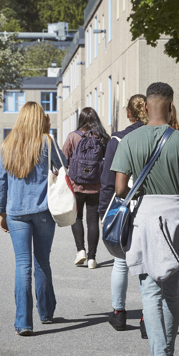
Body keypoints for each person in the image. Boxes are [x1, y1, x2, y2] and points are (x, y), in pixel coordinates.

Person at [111, 82, 179, 356]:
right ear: (170, 105)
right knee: (172, 290)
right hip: (176, 215)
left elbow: (120, 188)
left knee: (149, 291)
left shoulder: (130, 141)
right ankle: (168, 355)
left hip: (145, 216)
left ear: (145, 106)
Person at [0, 102, 65, 336]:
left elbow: (0, 184)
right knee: (42, 262)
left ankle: (23, 322)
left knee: (22, 265)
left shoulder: (7, 145)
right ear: (40, 119)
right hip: (44, 211)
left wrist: (2, 212)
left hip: (16, 212)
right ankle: (45, 312)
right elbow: (65, 168)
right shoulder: (47, 142)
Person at [99, 94, 149, 336]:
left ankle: (119, 313)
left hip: (122, 205)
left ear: (128, 113)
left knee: (120, 261)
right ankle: (146, 317)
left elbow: (109, 182)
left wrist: (103, 213)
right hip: (149, 203)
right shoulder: (158, 135)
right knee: (146, 263)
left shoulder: (118, 139)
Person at [62, 107, 110, 269]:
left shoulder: (73, 137)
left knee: (76, 218)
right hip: (97, 186)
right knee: (93, 222)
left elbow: (63, 160)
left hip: (76, 185)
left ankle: (80, 250)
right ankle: (92, 258)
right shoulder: (103, 137)